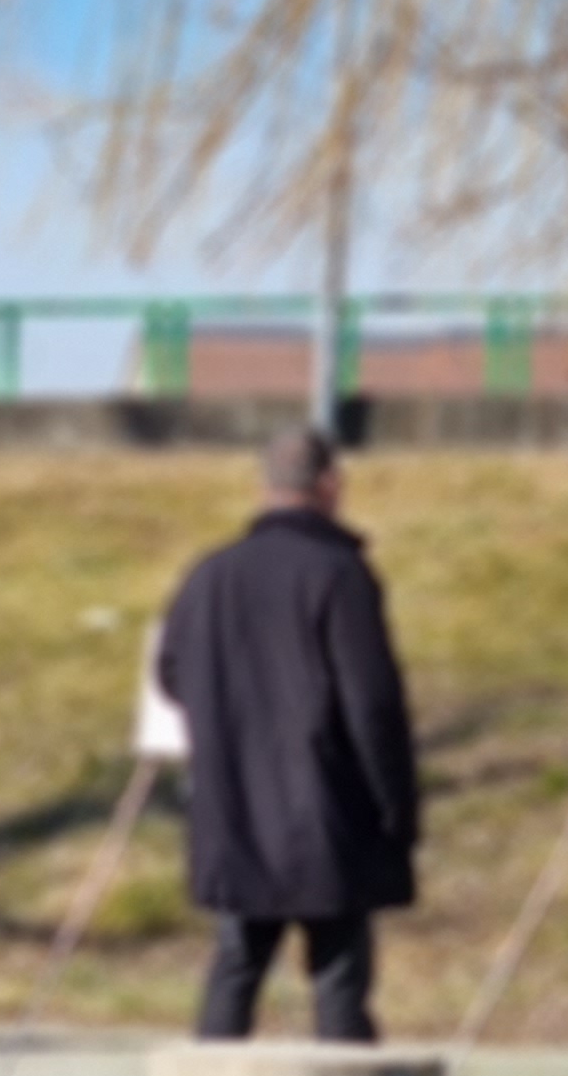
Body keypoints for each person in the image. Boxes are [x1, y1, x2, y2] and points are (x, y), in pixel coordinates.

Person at [152, 425, 420, 1042]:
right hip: (328, 811)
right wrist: (395, 807)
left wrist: (226, 720)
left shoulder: (210, 575)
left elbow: (170, 673)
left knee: (236, 964)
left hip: (233, 807)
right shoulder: (339, 573)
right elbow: (371, 703)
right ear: (331, 485)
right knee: (338, 973)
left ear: (263, 486)